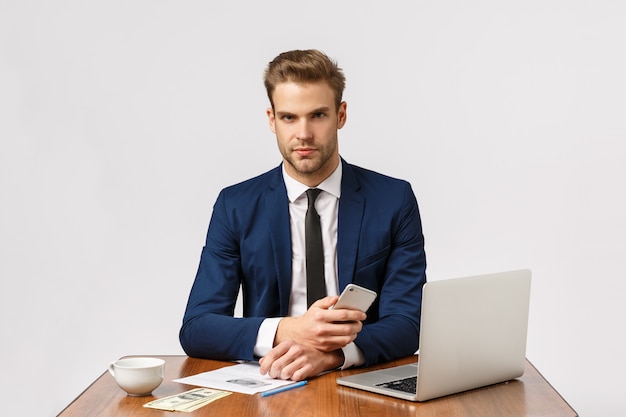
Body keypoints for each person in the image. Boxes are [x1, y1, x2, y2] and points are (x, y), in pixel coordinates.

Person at [179, 49, 426, 381]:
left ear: (341, 115)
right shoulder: (235, 205)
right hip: (269, 379)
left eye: (318, 115)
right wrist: (291, 330)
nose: (304, 134)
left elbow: (408, 323)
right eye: (289, 117)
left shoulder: (393, 199)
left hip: (359, 381)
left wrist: (331, 355)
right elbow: (197, 327)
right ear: (271, 120)